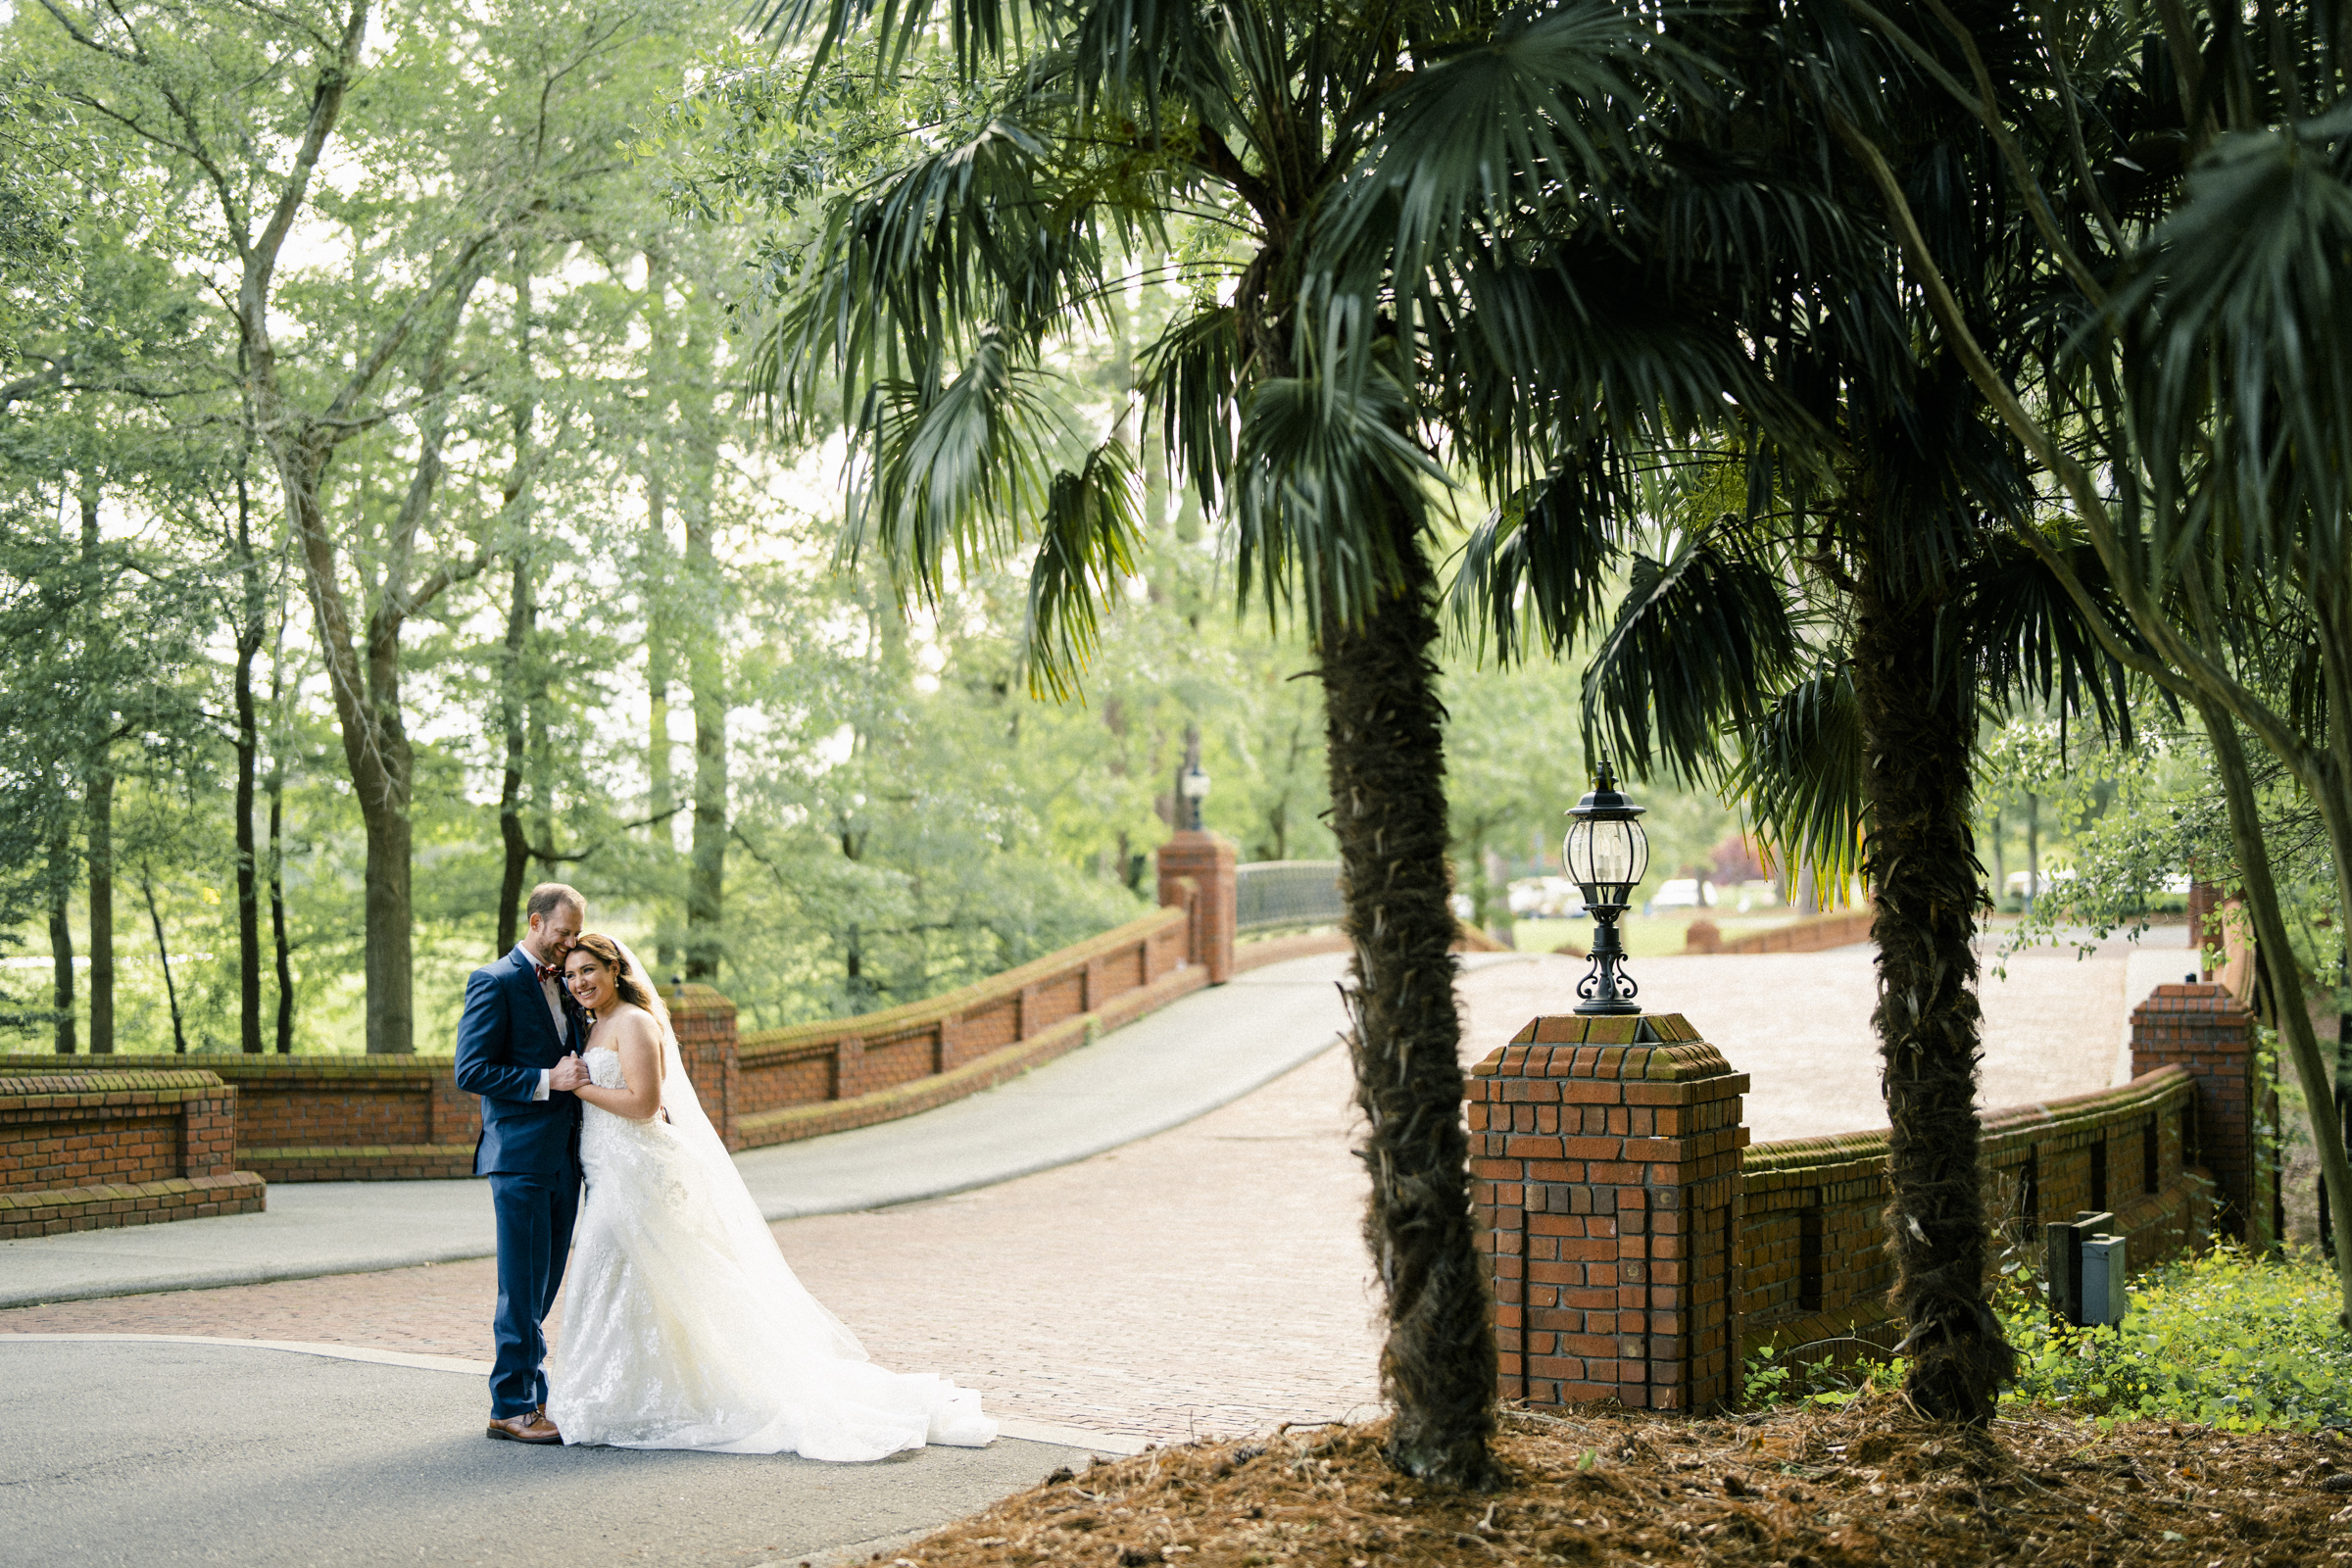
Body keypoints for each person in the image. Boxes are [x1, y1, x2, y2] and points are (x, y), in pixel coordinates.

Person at [546, 933, 996, 1459]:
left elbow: (645, 1104)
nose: (579, 983)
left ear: (614, 968)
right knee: (632, 1280)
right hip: (606, 1167)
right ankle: (627, 1395)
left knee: (634, 1268)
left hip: (637, 1170)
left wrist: (577, 1087)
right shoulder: (596, 1025)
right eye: (571, 975)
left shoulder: (636, 1023)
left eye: (588, 971)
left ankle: (660, 1394)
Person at [453, 884, 591, 1444]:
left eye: (576, 934)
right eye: (563, 934)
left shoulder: (569, 981)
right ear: (536, 923)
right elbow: (471, 1070)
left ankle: (531, 1395)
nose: (570, 945)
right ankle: (511, 1406)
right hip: (518, 1157)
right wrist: (545, 1080)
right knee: (521, 1284)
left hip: (566, 1157)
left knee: (544, 1282)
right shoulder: (495, 981)